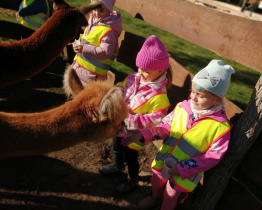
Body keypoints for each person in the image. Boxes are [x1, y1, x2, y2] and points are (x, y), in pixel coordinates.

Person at [121, 59, 235, 210]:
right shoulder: (183, 107)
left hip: (186, 171)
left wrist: (183, 168)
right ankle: (153, 198)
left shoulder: (220, 127)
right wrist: (143, 134)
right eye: (193, 92)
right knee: (156, 181)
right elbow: (165, 126)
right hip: (165, 160)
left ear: (217, 99)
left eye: (200, 95)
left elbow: (213, 156)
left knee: (171, 194)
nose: (193, 97)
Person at [99, 35, 173, 193]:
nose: (141, 72)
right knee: (116, 147)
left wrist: (128, 119)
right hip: (119, 125)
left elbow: (156, 120)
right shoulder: (134, 77)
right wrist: (117, 94)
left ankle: (132, 179)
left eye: (146, 71)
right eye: (139, 68)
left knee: (131, 156)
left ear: (161, 70)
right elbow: (121, 85)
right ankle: (117, 166)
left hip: (135, 133)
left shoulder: (159, 96)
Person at [71, 0, 122, 86]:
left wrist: (84, 49)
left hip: (93, 77)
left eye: (101, 10)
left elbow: (106, 52)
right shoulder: (93, 23)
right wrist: (77, 44)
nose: (97, 13)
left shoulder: (109, 32)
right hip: (80, 68)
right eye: (94, 9)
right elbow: (87, 39)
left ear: (109, 11)